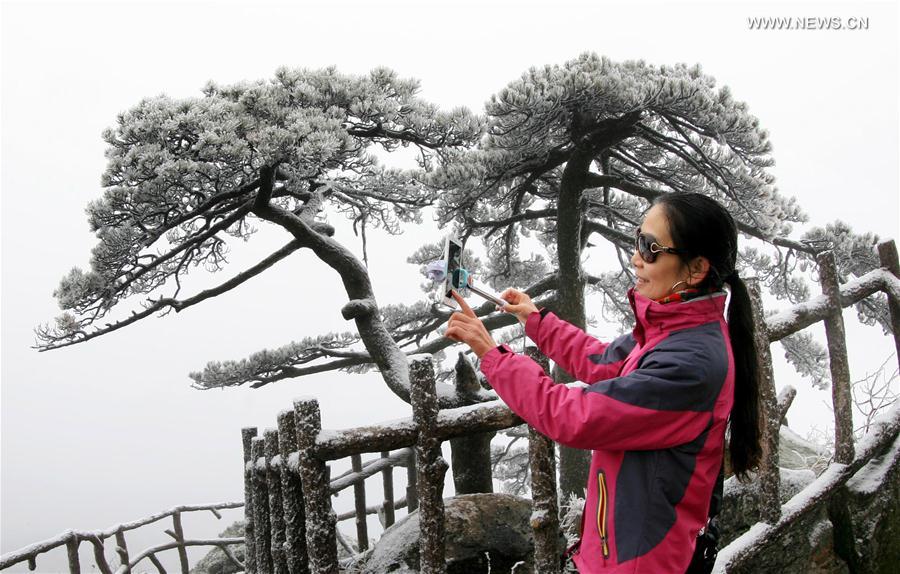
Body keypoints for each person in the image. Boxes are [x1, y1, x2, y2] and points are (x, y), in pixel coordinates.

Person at [444, 191, 762, 574]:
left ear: (695, 269)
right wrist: (536, 322)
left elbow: (575, 417)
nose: (635, 257)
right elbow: (606, 360)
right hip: (625, 547)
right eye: (636, 240)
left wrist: (493, 355)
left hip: (639, 561)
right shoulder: (674, 329)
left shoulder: (690, 362)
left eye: (650, 248)